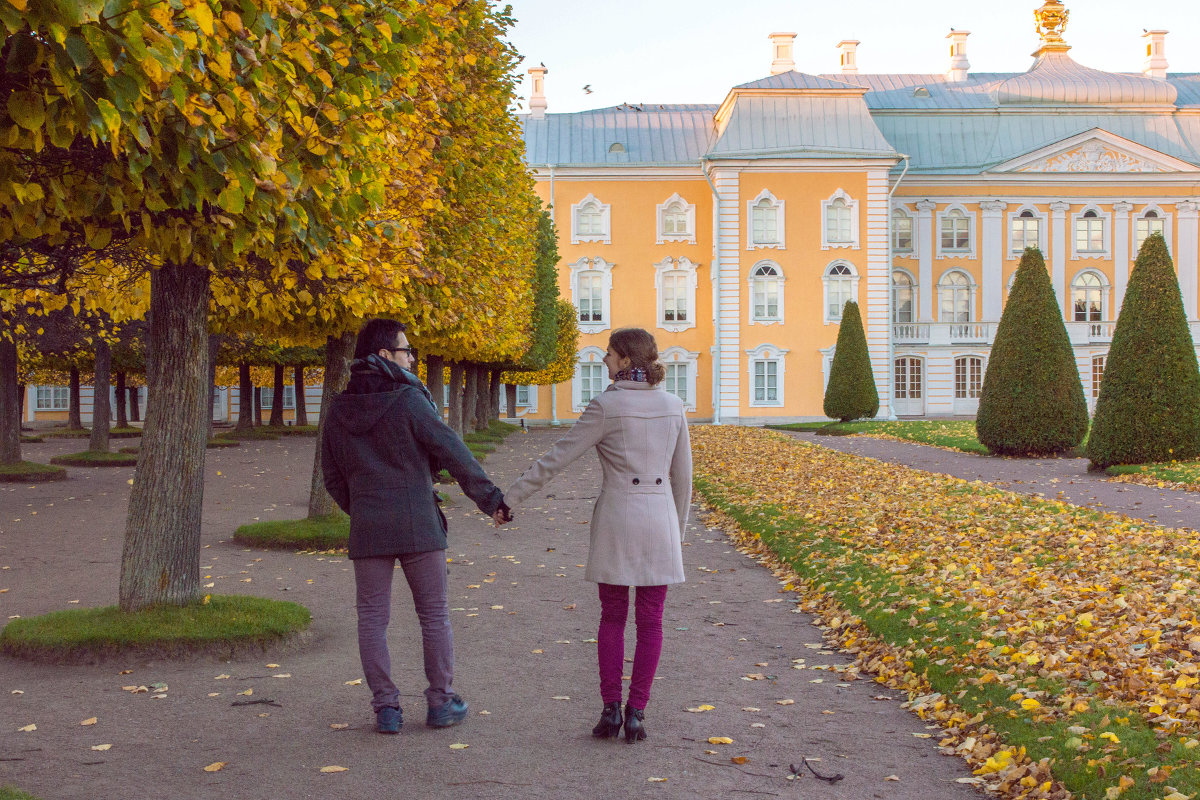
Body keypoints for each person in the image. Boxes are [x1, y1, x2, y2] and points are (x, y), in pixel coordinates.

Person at [322, 318, 512, 735]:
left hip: (369, 526)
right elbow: (451, 449)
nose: (412, 358)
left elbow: (332, 476)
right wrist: (490, 499)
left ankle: (386, 709)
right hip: (418, 523)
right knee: (434, 615)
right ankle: (441, 703)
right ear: (385, 355)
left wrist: (365, 509)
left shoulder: (339, 408)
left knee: (372, 619)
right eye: (407, 350)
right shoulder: (410, 399)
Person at [503, 327, 691, 743]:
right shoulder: (674, 405)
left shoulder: (606, 406)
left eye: (609, 353)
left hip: (618, 517)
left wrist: (510, 498)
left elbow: (558, 458)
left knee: (611, 616)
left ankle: (610, 709)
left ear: (625, 359)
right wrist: (676, 533)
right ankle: (637, 711)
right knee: (652, 621)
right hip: (659, 519)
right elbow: (683, 479)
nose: (603, 359)